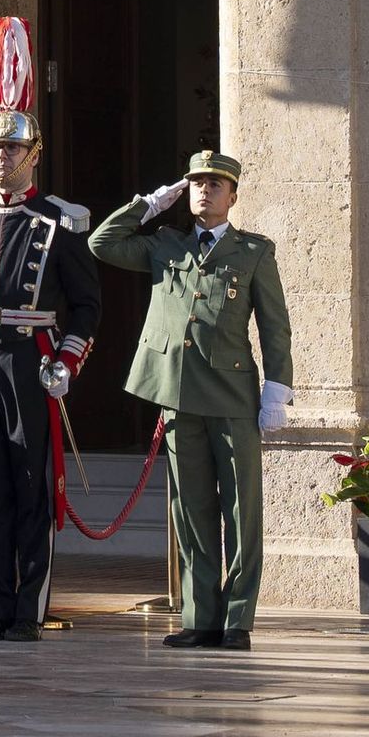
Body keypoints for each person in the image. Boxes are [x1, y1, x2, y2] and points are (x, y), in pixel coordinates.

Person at [0, 17, 101, 642]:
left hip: (32, 362)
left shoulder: (60, 222)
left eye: (13, 151)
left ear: (34, 156)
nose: (1, 161)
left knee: (31, 488)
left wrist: (67, 360)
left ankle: (28, 610)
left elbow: (87, 307)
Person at [89, 148, 294, 652]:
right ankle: (201, 617)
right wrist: (147, 205)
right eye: (197, 183)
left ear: (233, 195)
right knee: (191, 510)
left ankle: (238, 620)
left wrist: (277, 389)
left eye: (215, 184)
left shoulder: (253, 252)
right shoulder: (166, 245)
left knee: (241, 513)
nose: (205, 190)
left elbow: (274, 327)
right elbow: (102, 243)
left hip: (231, 396)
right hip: (179, 394)